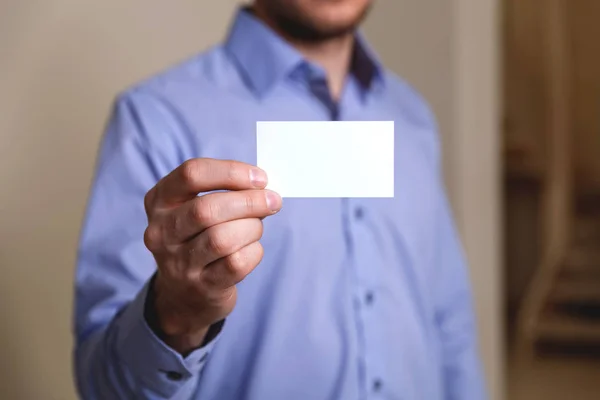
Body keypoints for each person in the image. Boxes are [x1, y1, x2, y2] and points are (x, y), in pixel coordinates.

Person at [73, 1, 486, 399]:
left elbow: (448, 321)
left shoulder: (413, 117)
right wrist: (175, 317)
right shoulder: (155, 120)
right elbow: (103, 387)